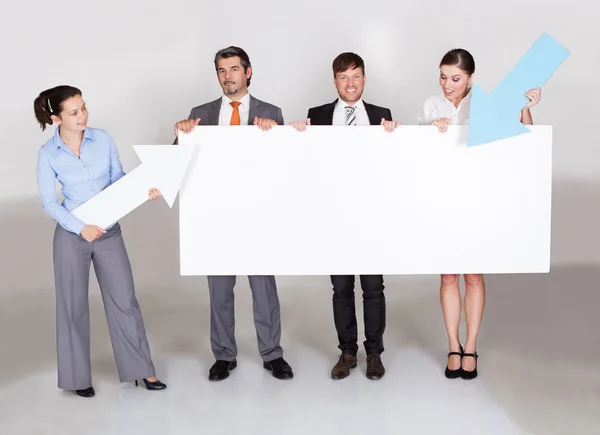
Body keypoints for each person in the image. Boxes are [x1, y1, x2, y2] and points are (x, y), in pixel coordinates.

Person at [34, 85, 167, 397]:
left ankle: (142, 370)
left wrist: (142, 190)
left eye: (84, 107)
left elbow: (117, 179)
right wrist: (80, 228)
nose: (83, 115)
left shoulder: (103, 139)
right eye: (74, 112)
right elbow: (49, 203)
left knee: (125, 301)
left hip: (109, 233)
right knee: (72, 307)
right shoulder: (47, 154)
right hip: (71, 236)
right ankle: (78, 378)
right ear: (56, 118)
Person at [418, 48, 542, 380]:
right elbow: (415, 154)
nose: (447, 85)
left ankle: (471, 345)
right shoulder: (430, 105)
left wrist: (525, 109)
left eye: (455, 79)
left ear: (471, 78)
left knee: (473, 275)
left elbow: (524, 143)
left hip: (479, 201)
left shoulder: (487, 104)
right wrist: (431, 129)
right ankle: (453, 344)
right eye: (443, 77)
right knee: (447, 276)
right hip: (442, 201)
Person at [173, 46, 293, 381]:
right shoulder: (200, 112)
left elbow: (284, 163)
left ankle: (272, 354)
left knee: (264, 289)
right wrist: (180, 133)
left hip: (256, 215)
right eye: (222, 71)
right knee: (220, 291)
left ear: (248, 71)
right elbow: (178, 161)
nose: (228, 76)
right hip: (215, 216)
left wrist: (276, 133)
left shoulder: (271, 111)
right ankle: (224, 355)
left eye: (234, 69)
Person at [291, 52, 400, 380]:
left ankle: (374, 353)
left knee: (373, 287)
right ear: (334, 80)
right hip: (333, 216)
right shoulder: (318, 115)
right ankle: (347, 351)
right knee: (341, 288)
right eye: (343, 77)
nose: (350, 83)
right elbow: (303, 161)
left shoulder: (383, 116)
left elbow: (396, 165)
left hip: (371, 216)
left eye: (356, 76)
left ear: (364, 79)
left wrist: (396, 137)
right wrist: (296, 133)